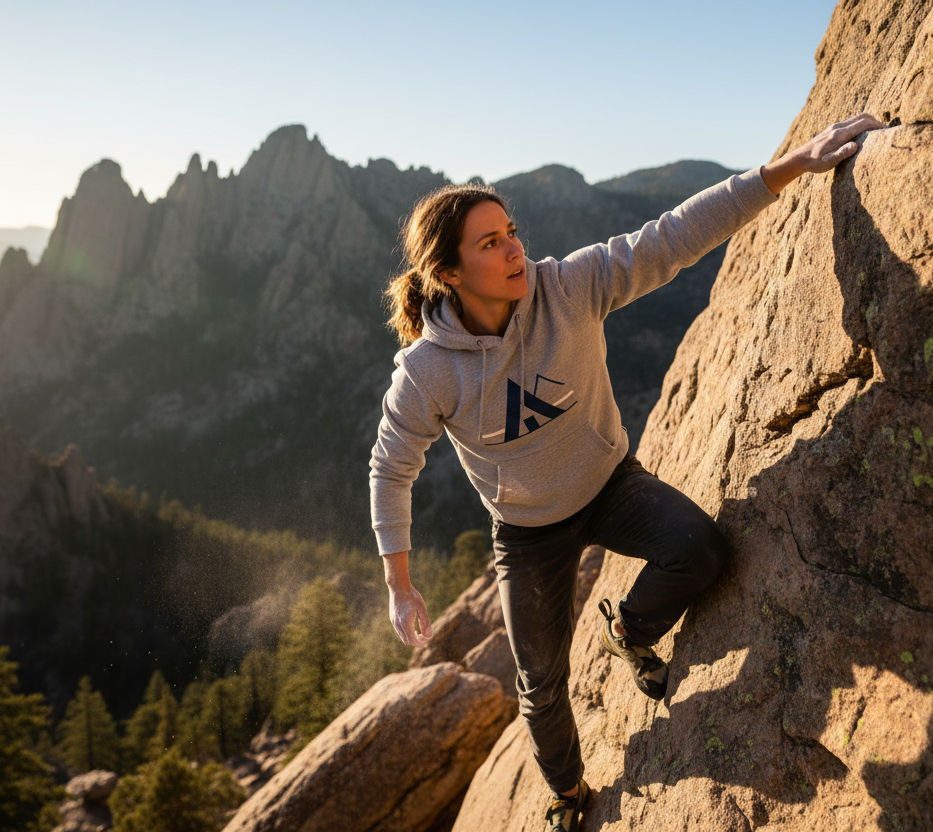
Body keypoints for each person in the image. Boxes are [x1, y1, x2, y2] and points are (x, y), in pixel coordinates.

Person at [369, 113, 884, 832]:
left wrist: (790, 166)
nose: (515, 249)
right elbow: (391, 468)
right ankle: (567, 794)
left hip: (611, 485)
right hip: (527, 533)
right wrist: (398, 583)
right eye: (491, 243)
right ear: (449, 274)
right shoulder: (427, 372)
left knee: (701, 550)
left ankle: (630, 629)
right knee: (540, 683)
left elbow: (670, 236)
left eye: (511, 231)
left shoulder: (566, 287)